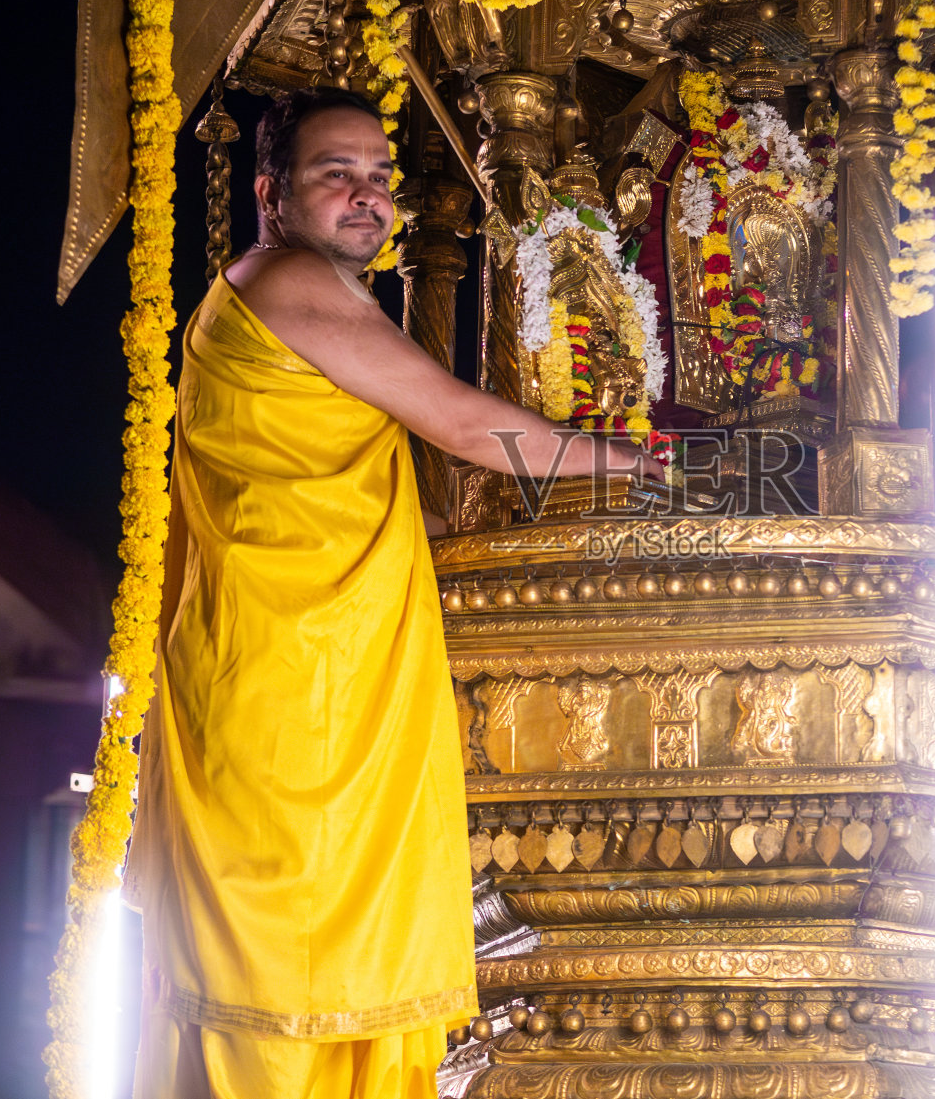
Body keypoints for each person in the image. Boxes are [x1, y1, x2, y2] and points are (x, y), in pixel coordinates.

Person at [125, 86, 656, 1098]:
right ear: (271, 192)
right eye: (338, 175)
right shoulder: (287, 282)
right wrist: (657, 468)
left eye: (380, 176)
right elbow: (465, 429)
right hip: (295, 704)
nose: (368, 198)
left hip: (304, 680)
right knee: (289, 1002)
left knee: (316, 995)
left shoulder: (289, 294)